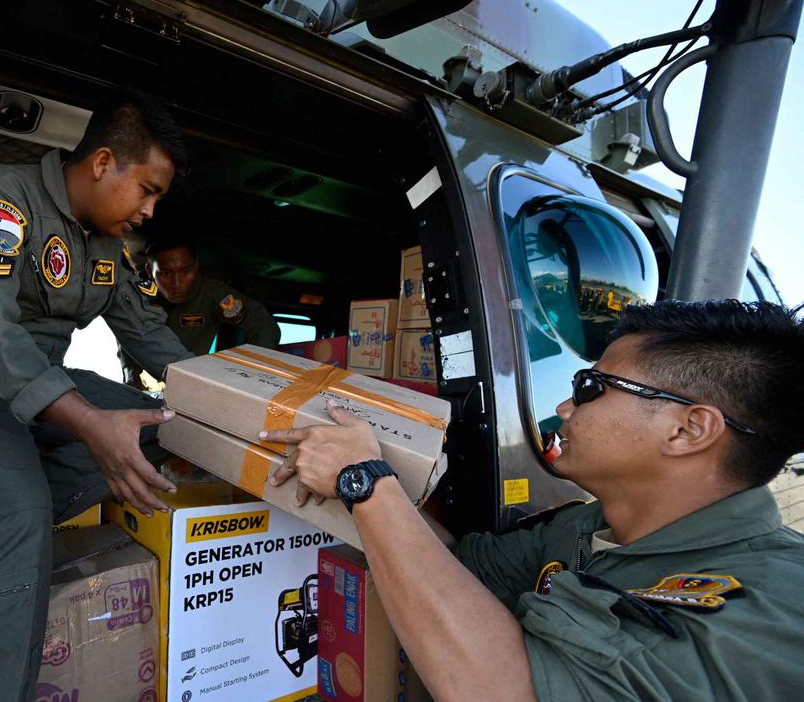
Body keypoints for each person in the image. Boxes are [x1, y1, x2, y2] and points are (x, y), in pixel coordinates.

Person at [265, 300, 804, 700]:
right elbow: (457, 570)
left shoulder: (770, 611)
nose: (566, 406)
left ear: (690, 430)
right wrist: (362, 479)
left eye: (592, 388)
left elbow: (506, 691)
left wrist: (366, 483)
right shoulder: (591, 530)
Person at [0, 88, 194, 701]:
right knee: (20, 513)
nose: (150, 212)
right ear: (104, 161)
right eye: (148, 190)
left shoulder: (109, 250)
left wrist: (231, 403)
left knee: (169, 425)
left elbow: (150, 335)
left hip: (40, 387)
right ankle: (4, 509)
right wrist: (86, 422)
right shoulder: (0, 200)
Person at [146, 231, 281, 355]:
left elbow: (265, 327)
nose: (177, 284)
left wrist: (251, 371)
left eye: (185, 272)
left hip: (189, 373)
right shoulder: (136, 295)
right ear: (149, 272)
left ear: (196, 267)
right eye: (166, 273)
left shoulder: (213, 293)